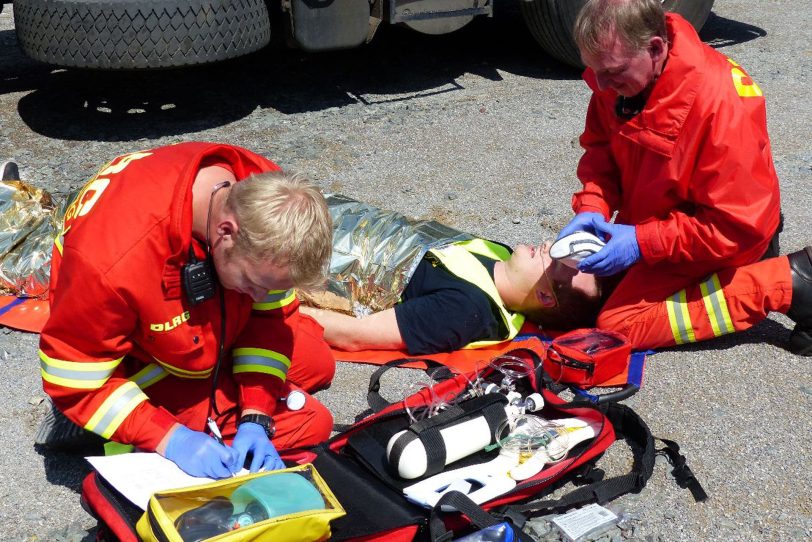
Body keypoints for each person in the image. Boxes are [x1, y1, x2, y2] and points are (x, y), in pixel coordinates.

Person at [38, 142, 337, 479]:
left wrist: (256, 414)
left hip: (196, 326)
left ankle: (217, 393)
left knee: (317, 362)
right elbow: (72, 374)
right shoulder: (116, 259)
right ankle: (95, 419)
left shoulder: (262, 192)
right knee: (311, 423)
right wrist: (172, 438)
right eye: (254, 283)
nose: (261, 296)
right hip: (140, 354)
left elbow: (269, 315)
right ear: (225, 233)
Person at [557, 0, 810, 355]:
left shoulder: (718, 104)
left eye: (612, 72)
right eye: (593, 69)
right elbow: (602, 151)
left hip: (725, 233)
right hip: (665, 221)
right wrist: (592, 208)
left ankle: (790, 283)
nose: (599, 84)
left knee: (620, 324)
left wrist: (642, 243)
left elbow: (734, 225)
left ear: (656, 48)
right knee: (594, 288)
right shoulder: (621, 76)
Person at [302, 237, 602, 355]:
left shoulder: (466, 311)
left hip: (296, 255)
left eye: (558, 261)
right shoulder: (498, 252)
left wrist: (282, 309)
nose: (550, 243)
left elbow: (354, 335)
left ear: (545, 297)